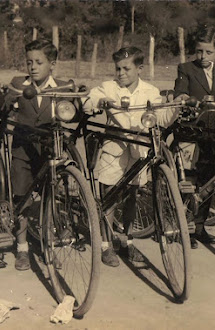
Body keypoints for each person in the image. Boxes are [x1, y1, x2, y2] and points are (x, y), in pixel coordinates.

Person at [83, 46, 180, 267]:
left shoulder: (150, 92)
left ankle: (127, 241)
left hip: (139, 151)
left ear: (140, 68)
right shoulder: (109, 87)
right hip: (114, 149)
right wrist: (101, 102)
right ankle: (106, 245)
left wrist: (175, 106)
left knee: (131, 197)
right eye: (117, 69)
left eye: (126, 68)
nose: (121, 73)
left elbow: (162, 118)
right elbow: (89, 101)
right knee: (110, 196)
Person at [0, 39, 76, 271]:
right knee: (22, 198)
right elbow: (3, 108)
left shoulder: (62, 86)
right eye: (29, 62)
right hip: (23, 149)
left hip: (49, 150)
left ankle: (48, 245)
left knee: (50, 197)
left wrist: (79, 104)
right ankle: (22, 249)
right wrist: (3, 96)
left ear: (52, 64)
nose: (33, 66)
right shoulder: (18, 83)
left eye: (39, 62)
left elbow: (72, 111)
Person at [174, 26, 215, 249]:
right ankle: (186, 227)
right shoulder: (186, 69)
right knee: (190, 181)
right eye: (199, 51)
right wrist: (183, 97)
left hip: (214, 134)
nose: (202, 57)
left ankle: (200, 227)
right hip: (191, 133)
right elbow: (180, 90)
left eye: (208, 52)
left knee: (209, 180)